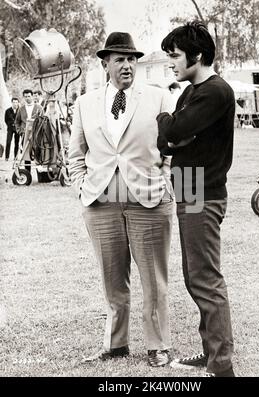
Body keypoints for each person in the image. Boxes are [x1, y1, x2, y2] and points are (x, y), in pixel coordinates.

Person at [68, 32, 174, 367]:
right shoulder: (85, 103)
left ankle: (158, 345)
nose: (127, 65)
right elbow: (75, 155)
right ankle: (116, 344)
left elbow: (172, 150)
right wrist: (82, 189)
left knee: (153, 279)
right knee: (112, 277)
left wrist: (163, 182)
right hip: (100, 203)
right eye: (119, 59)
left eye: (132, 59)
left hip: (149, 201)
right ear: (105, 64)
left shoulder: (158, 99)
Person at [156, 21, 235, 377]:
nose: (170, 63)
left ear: (197, 55)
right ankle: (210, 353)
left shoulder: (215, 92)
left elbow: (171, 131)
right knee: (194, 277)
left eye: (174, 56)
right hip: (188, 188)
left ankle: (221, 366)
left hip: (203, 192)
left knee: (205, 279)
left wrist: (166, 122)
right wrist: (172, 133)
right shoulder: (191, 92)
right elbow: (168, 142)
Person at [15, 89, 43, 173]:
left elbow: (43, 120)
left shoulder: (39, 107)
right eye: (25, 96)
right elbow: (17, 121)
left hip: (37, 134)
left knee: (38, 152)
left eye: (29, 96)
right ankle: (27, 172)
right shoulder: (21, 109)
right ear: (24, 97)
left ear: (32, 96)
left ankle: (41, 173)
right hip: (25, 134)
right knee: (26, 153)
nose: (27, 98)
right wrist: (19, 131)